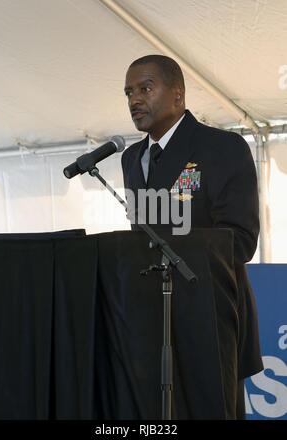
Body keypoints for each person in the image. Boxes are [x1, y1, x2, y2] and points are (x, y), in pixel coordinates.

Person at [121, 54, 263, 419]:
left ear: (178, 95)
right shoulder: (131, 158)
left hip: (210, 311)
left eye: (145, 88)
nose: (135, 100)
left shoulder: (222, 148)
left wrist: (176, 249)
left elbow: (241, 238)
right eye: (129, 93)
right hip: (152, 314)